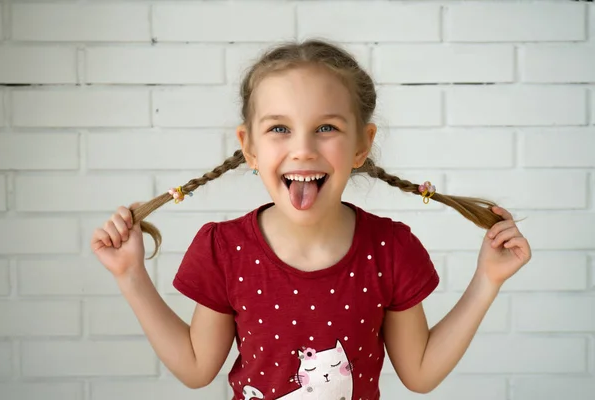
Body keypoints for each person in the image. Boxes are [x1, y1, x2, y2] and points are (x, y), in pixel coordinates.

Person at [91, 39, 531, 400]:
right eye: (279, 128)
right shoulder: (223, 248)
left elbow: (419, 373)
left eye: (326, 128)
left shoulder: (391, 248)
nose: (302, 149)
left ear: (362, 144)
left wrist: (487, 281)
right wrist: (131, 275)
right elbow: (195, 368)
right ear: (250, 147)